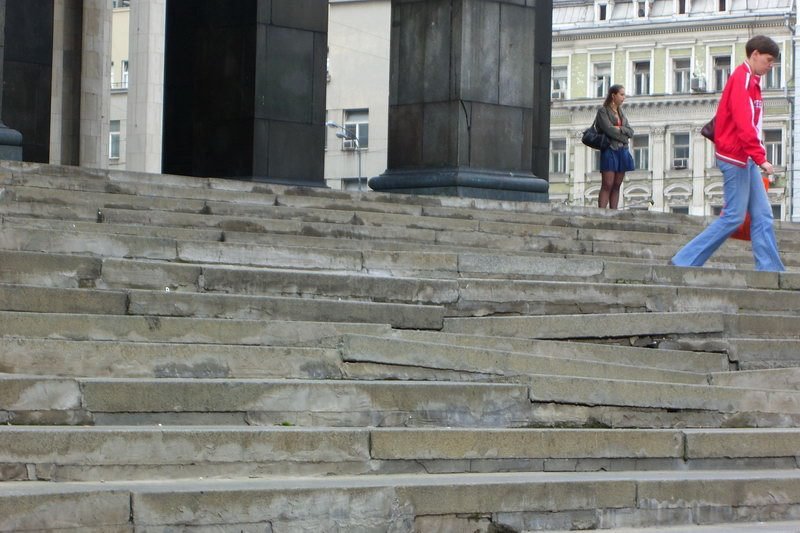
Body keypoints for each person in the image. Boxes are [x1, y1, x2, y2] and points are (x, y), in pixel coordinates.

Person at [671, 35, 784, 272]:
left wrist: (757, 155)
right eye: (768, 60)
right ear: (754, 55)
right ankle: (684, 261)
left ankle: (770, 270)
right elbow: (744, 123)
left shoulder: (752, 81)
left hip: (746, 158)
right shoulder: (742, 79)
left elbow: (752, 124)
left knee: (763, 215)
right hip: (736, 158)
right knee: (733, 216)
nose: (770, 65)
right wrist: (761, 157)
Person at [595, 84, 635, 209]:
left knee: (617, 185)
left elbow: (631, 132)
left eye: (624, 95)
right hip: (609, 150)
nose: (624, 97)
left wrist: (619, 129)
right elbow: (608, 130)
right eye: (621, 94)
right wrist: (623, 133)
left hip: (622, 151)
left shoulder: (621, 112)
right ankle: (601, 212)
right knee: (607, 183)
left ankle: (614, 211)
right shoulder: (603, 111)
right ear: (613, 95)